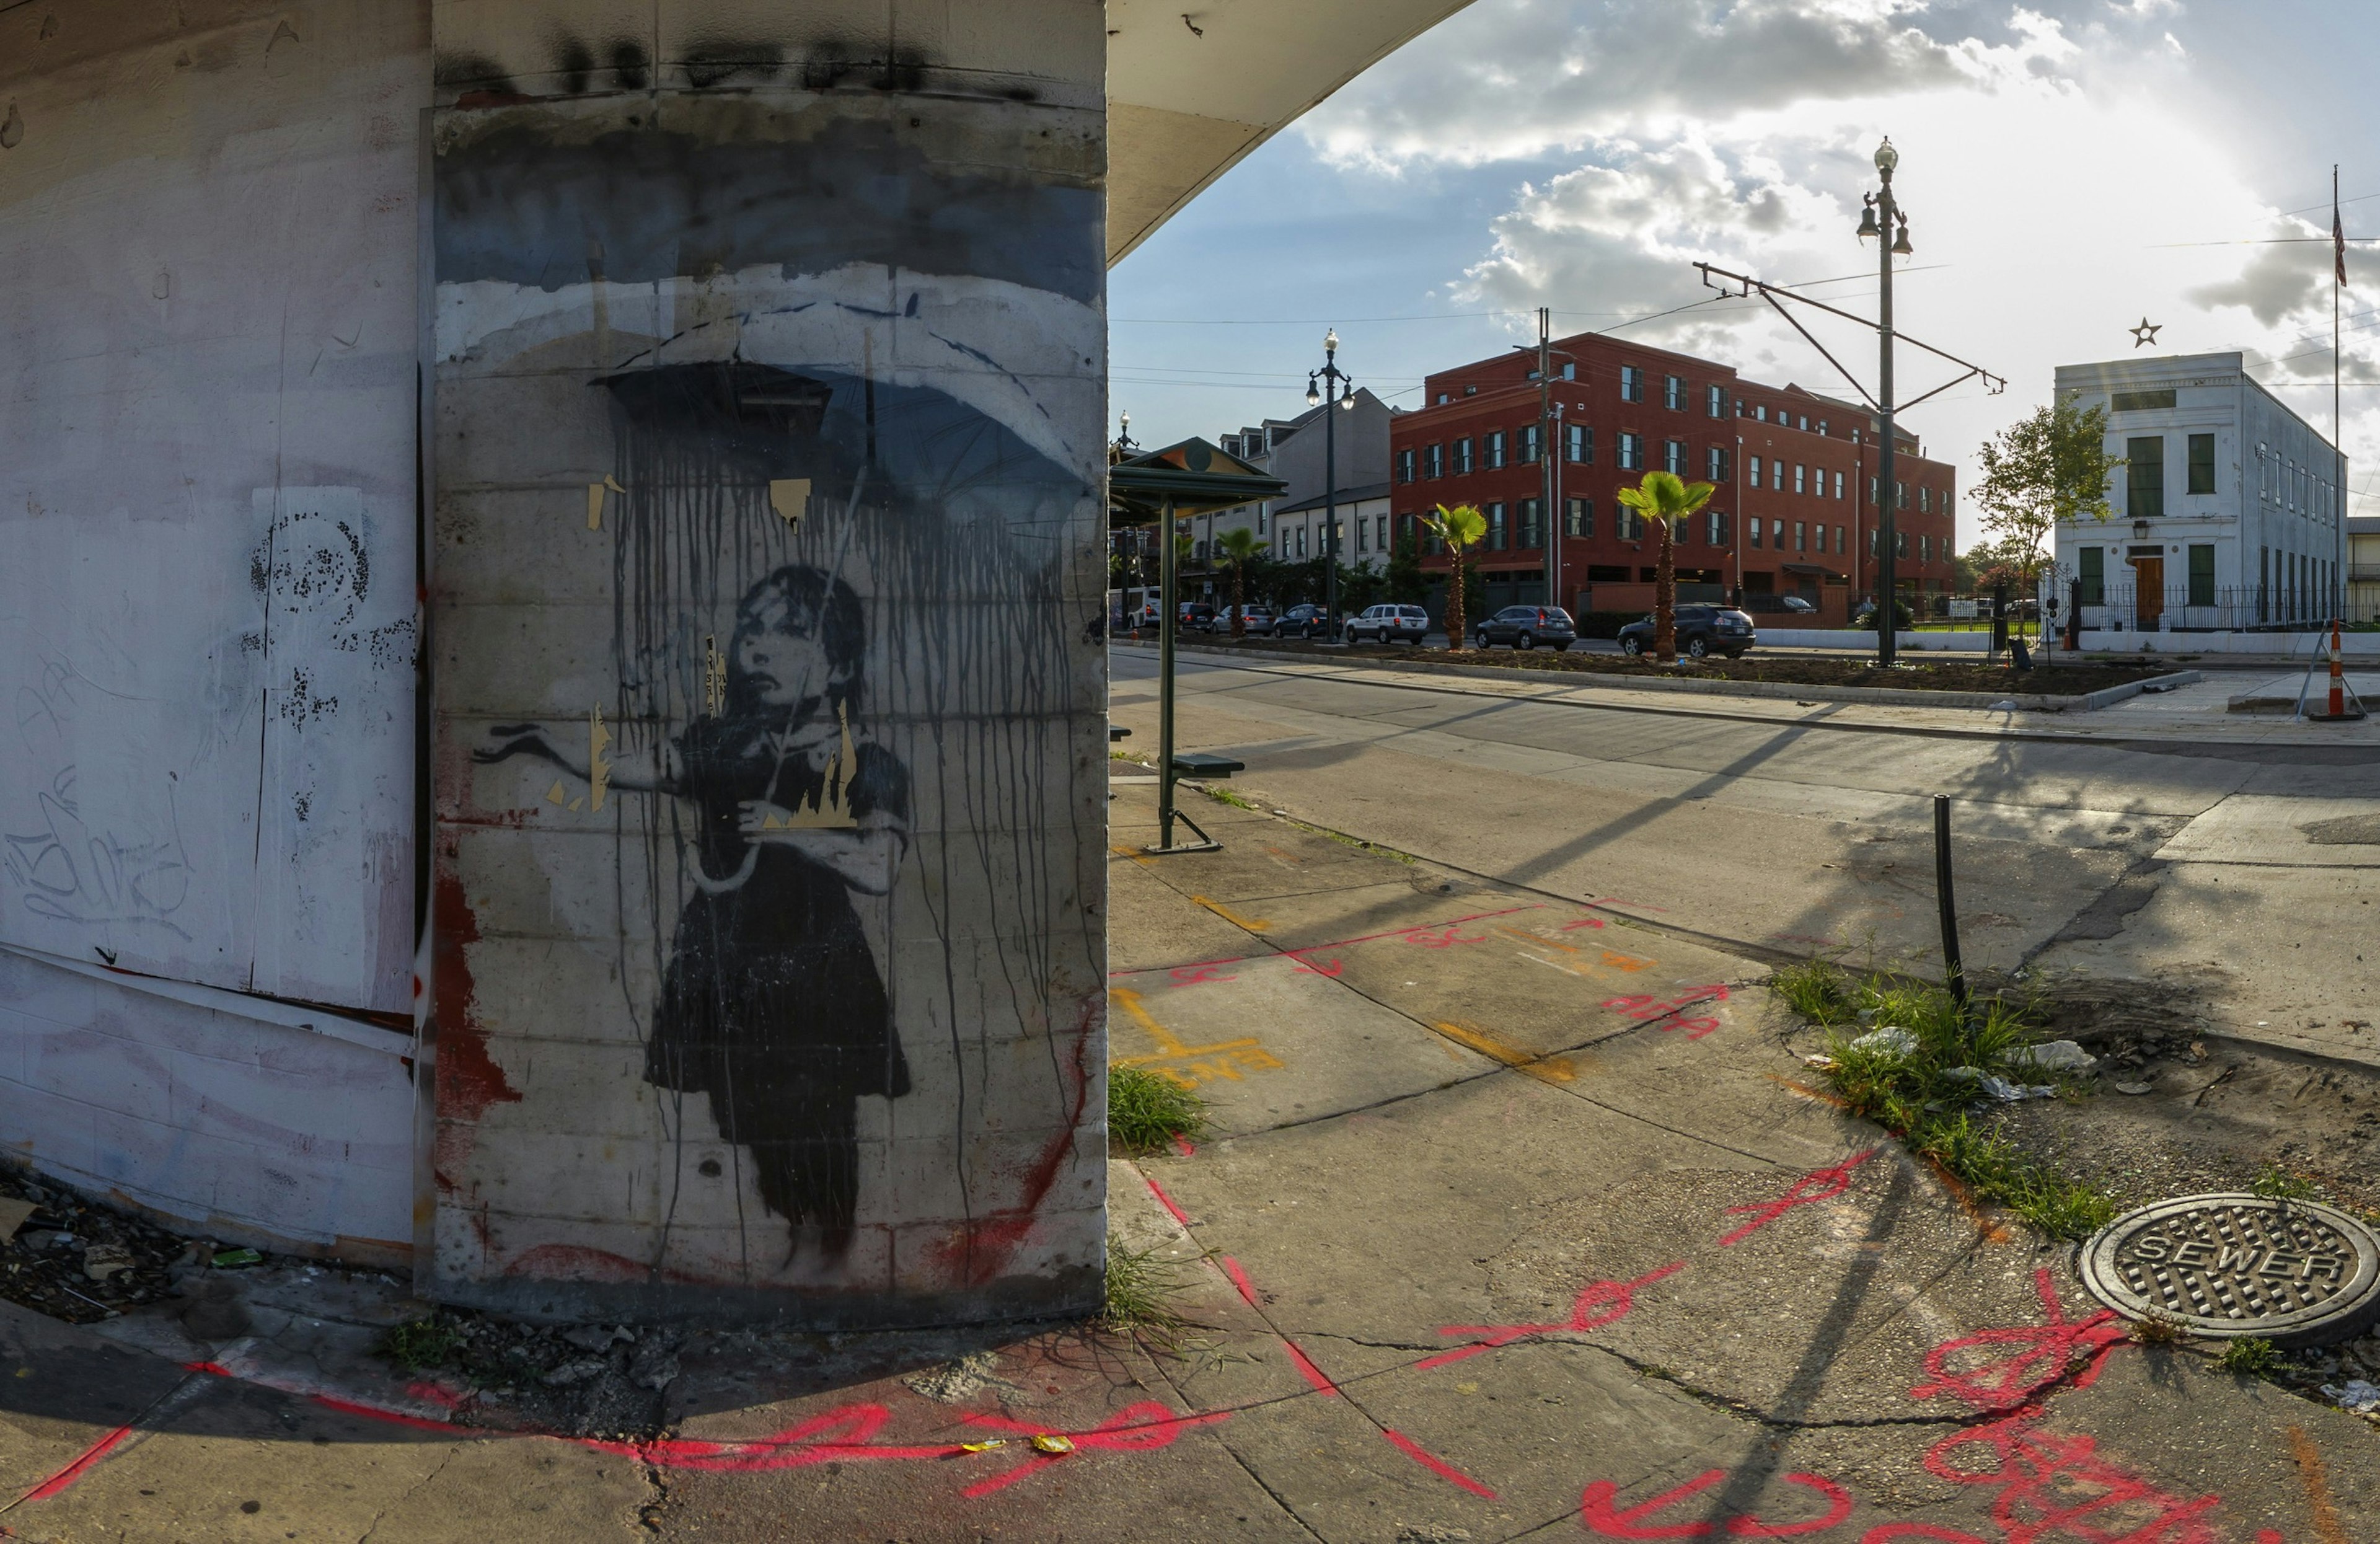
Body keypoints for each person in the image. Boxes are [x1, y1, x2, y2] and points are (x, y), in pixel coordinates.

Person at [478, 564, 910, 1268]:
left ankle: (821, 1247)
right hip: (728, 965)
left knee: (820, 1115)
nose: (760, 650)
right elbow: (632, 766)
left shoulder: (868, 762)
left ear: (842, 665)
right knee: (758, 1114)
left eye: (792, 634)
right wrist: (542, 742)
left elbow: (879, 867)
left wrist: (791, 829)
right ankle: (800, 1237)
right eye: (753, 632)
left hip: (815, 972)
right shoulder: (726, 744)